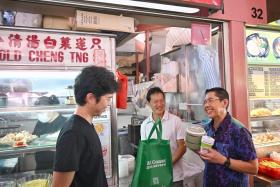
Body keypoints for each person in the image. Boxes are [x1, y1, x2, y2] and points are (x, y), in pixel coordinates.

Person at [52, 65, 118, 187]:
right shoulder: (73, 134)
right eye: (108, 98)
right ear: (91, 98)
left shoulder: (86, 124)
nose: (108, 104)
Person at [199, 87, 258, 187]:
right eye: (205, 102)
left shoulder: (239, 131)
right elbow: (210, 158)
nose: (206, 105)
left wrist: (223, 160)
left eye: (210, 100)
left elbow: (253, 168)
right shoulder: (206, 128)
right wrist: (195, 148)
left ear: (225, 102)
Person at [140, 87, 186, 187]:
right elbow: (146, 151)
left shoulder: (176, 121)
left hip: (174, 177)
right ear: (149, 104)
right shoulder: (145, 125)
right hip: (154, 176)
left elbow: (182, 147)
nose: (160, 104)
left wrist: (166, 164)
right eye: (155, 102)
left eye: (162, 101)